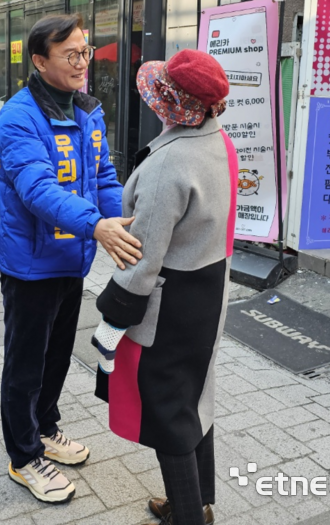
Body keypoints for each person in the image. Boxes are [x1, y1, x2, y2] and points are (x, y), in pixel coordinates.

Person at [0, 13, 142, 505]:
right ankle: (23, 456)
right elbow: (37, 188)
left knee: (57, 355)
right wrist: (95, 226)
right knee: (25, 363)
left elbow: (103, 180)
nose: (84, 63)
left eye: (87, 52)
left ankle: (46, 426)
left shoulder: (88, 111)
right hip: (31, 265)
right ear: (40, 61)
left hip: (71, 259)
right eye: (71, 55)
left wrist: (128, 225)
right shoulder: (18, 117)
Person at [93, 49, 237, 525]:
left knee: (166, 410)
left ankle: (188, 517)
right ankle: (198, 502)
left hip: (168, 304)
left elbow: (142, 258)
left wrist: (111, 320)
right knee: (195, 398)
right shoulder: (220, 143)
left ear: (173, 103)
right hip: (208, 290)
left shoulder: (168, 165)